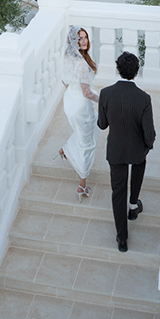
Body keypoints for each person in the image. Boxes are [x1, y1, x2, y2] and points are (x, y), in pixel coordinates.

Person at [97, 51, 156, 252]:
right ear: (136, 72)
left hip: (116, 150)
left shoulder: (105, 94)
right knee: (139, 165)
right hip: (137, 149)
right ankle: (133, 206)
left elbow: (102, 125)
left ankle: (122, 239)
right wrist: (148, 146)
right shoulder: (144, 98)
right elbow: (149, 133)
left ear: (118, 69)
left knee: (117, 192)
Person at [58, 26, 99, 201]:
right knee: (87, 143)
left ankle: (64, 150)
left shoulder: (68, 56)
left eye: (85, 37)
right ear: (73, 41)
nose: (84, 41)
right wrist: (103, 101)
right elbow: (87, 93)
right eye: (80, 38)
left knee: (84, 130)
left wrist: (72, 91)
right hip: (81, 106)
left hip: (70, 100)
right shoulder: (82, 64)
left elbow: (64, 80)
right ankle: (82, 185)